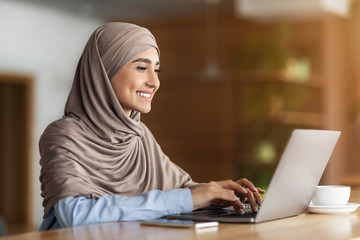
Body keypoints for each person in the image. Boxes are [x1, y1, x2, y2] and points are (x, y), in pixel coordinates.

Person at [38, 22, 265, 231]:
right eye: (141, 68)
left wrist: (222, 193)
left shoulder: (139, 136)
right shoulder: (63, 135)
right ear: (104, 71)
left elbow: (181, 187)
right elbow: (76, 214)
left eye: (156, 69)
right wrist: (191, 198)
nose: (154, 82)